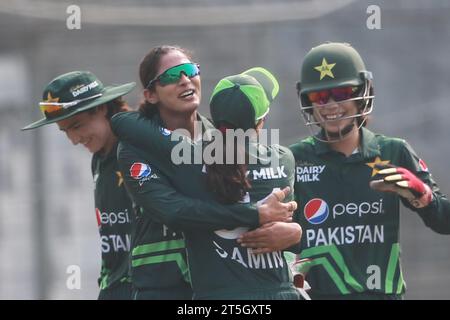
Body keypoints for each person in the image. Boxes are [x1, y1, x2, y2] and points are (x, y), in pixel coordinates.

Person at [111, 45, 302, 299]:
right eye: (171, 76)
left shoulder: (222, 137)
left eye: (189, 70)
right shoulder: (134, 148)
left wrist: (295, 233)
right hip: (164, 285)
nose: (184, 80)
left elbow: (276, 206)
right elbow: (172, 210)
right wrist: (253, 214)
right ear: (151, 94)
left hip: (224, 286)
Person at [288, 41, 450, 299]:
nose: (330, 105)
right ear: (307, 101)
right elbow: (281, 237)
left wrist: (422, 195)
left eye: (341, 94)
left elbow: (444, 221)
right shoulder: (294, 159)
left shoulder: (392, 152)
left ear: (363, 93)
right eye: (319, 96)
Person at [21, 71, 136, 299]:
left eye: (77, 126)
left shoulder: (140, 147)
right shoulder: (99, 158)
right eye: (65, 132)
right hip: (114, 288)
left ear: (102, 108)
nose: (74, 140)